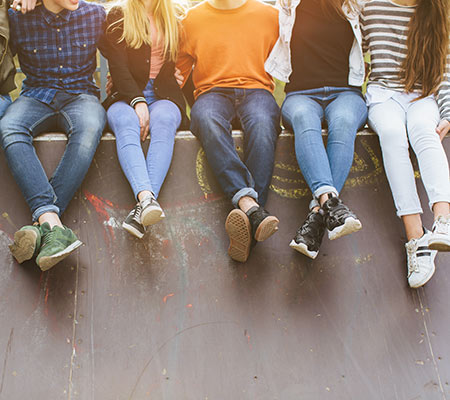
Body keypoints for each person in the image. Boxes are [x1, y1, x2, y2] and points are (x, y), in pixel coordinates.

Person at [0, 0, 107, 270]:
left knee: (90, 128)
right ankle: (53, 224)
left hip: (81, 95)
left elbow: (129, 41)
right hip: (36, 95)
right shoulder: (18, 16)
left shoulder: (95, 14)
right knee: (10, 127)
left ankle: (42, 224)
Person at [177, 0, 281, 263]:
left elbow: (292, 55)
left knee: (263, 123)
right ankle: (252, 208)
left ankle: (247, 219)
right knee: (205, 118)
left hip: (257, 90)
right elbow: (176, 71)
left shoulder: (270, 15)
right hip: (212, 93)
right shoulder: (191, 19)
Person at [265, 0, 367, 259]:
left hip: (346, 93)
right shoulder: (288, 4)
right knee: (302, 118)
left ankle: (318, 214)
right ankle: (332, 205)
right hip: (301, 95)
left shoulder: (355, 5)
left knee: (343, 122)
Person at [361, 0, 450, 287]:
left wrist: (448, 112)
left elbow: (445, 69)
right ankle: (416, 238)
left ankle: (443, 221)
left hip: (423, 96)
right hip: (383, 95)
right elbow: (349, 48)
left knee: (424, 131)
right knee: (392, 135)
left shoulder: (437, 9)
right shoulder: (371, 7)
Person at [103, 0, 186, 239]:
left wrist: (183, 74)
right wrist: (137, 101)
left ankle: (144, 207)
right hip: (125, 93)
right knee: (126, 123)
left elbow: (194, 52)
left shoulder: (176, 14)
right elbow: (117, 67)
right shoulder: (118, 15)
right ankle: (146, 201)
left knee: (165, 121)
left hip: (163, 95)